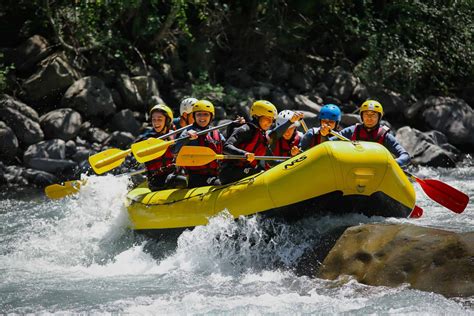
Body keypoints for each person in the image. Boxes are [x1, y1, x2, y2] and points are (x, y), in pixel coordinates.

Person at [219, 100, 279, 184]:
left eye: (272, 120)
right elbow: (226, 146)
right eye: (267, 118)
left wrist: (293, 159)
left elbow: (271, 161)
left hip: (247, 170)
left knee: (262, 171)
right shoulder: (245, 129)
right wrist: (244, 154)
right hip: (230, 172)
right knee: (260, 172)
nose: (270, 123)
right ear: (257, 117)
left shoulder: (263, 137)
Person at [336, 100, 411, 167]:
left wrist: (395, 162)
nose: (369, 118)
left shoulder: (385, 136)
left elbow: (405, 156)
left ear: (379, 118)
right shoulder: (352, 131)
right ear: (362, 116)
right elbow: (330, 141)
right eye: (366, 115)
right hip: (352, 167)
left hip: (376, 172)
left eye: (373, 115)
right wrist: (324, 134)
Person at [174, 100, 225, 187]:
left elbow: (226, 146)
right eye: (199, 114)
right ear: (194, 116)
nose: (202, 117)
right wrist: (186, 138)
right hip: (196, 177)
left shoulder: (215, 132)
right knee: (218, 183)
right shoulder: (188, 131)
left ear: (211, 117)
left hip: (215, 173)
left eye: (206, 114)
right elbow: (175, 151)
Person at [136, 104, 187, 191]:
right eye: (154, 120)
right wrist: (148, 142)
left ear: (167, 121)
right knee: (181, 180)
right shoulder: (148, 136)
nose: (156, 123)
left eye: (159, 119)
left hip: (174, 173)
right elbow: (136, 149)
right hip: (156, 179)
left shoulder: (175, 135)